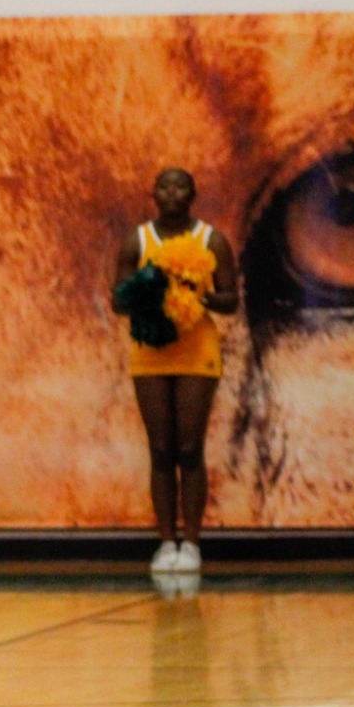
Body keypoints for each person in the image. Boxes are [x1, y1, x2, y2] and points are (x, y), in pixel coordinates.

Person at [113, 168, 240, 573]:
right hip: (150, 351)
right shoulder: (138, 240)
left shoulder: (210, 240)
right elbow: (118, 301)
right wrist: (146, 289)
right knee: (161, 450)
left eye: (179, 185)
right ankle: (166, 542)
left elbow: (230, 300)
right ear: (153, 192)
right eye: (164, 185)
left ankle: (193, 543)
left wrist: (195, 295)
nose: (171, 192)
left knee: (190, 448)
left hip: (197, 352)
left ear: (193, 193)